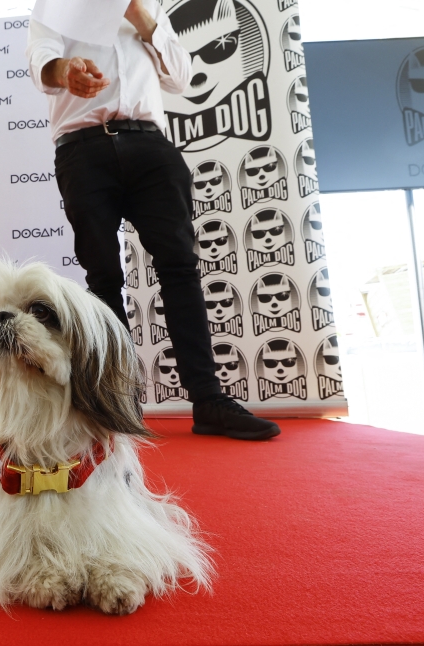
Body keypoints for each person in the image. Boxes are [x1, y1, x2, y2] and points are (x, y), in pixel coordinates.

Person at [26, 0, 280, 440]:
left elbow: (179, 78)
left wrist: (142, 18)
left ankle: (208, 400)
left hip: (151, 146)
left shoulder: (149, 9)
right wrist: (66, 70)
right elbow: (40, 63)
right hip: (82, 150)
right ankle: (118, 407)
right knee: (103, 279)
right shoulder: (56, 5)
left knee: (180, 268)